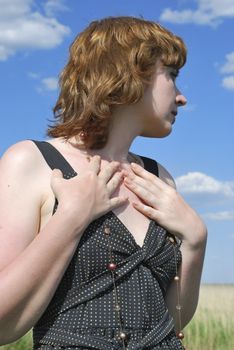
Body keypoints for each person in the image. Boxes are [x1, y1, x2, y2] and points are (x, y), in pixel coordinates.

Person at [0, 16, 207, 349]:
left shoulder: (158, 177)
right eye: (171, 75)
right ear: (131, 73)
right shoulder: (32, 162)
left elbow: (172, 320)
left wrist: (196, 242)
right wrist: (71, 217)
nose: (182, 97)